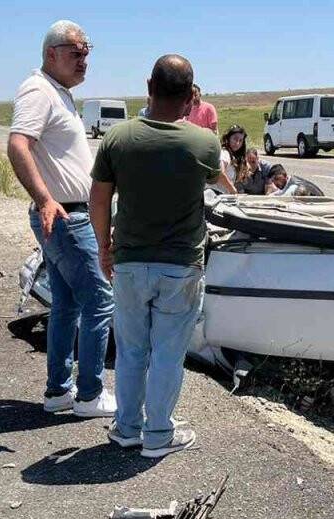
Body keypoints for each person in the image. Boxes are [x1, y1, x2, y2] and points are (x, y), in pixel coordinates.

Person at [90, 54, 220, 458]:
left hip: (129, 263)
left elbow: (98, 199)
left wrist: (103, 248)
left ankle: (127, 428)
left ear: (149, 86)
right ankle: (159, 434)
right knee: (167, 352)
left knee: (130, 350)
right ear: (190, 96)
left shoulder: (118, 138)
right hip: (181, 267)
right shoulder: (203, 143)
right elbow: (218, 186)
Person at [7, 20, 115, 418]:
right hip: (66, 216)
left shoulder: (59, 93)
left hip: (66, 213)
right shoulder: (39, 90)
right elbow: (18, 145)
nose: (84, 59)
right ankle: (90, 395)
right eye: (76, 51)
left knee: (67, 305)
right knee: (100, 303)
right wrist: (45, 199)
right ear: (51, 53)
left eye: (88, 51)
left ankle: (58, 393)